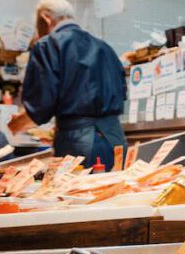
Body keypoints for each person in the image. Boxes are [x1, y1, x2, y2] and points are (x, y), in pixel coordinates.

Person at [9, 0, 127, 168]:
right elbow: (122, 93)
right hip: (115, 139)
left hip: (79, 142)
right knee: (115, 191)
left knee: (76, 192)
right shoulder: (104, 47)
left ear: (46, 18)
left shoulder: (48, 45)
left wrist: (15, 124)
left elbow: (40, 107)